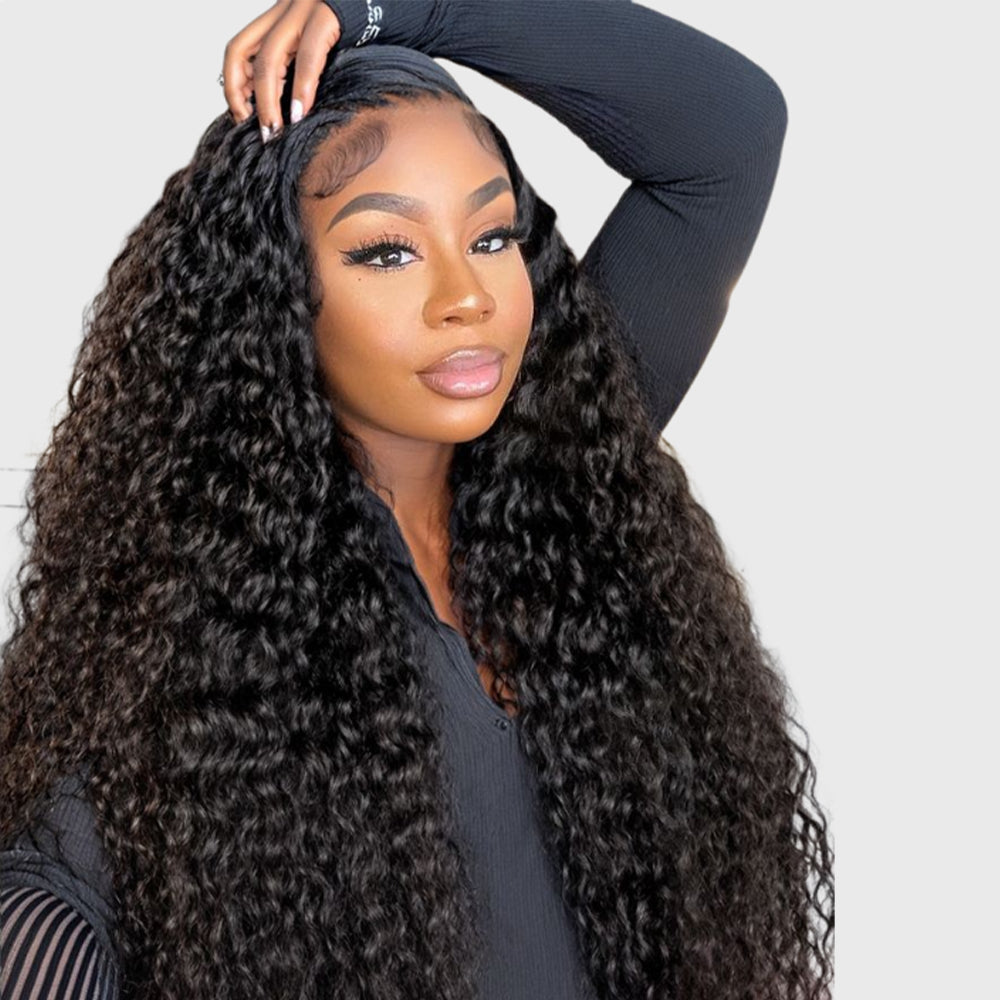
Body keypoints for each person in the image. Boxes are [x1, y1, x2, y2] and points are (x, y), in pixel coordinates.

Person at [0, 2, 833, 999]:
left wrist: (402, 10)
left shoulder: (562, 481)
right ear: (272, 297)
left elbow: (726, 133)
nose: (466, 295)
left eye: (493, 235)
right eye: (387, 251)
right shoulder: (205, 626)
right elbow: (48, 896)